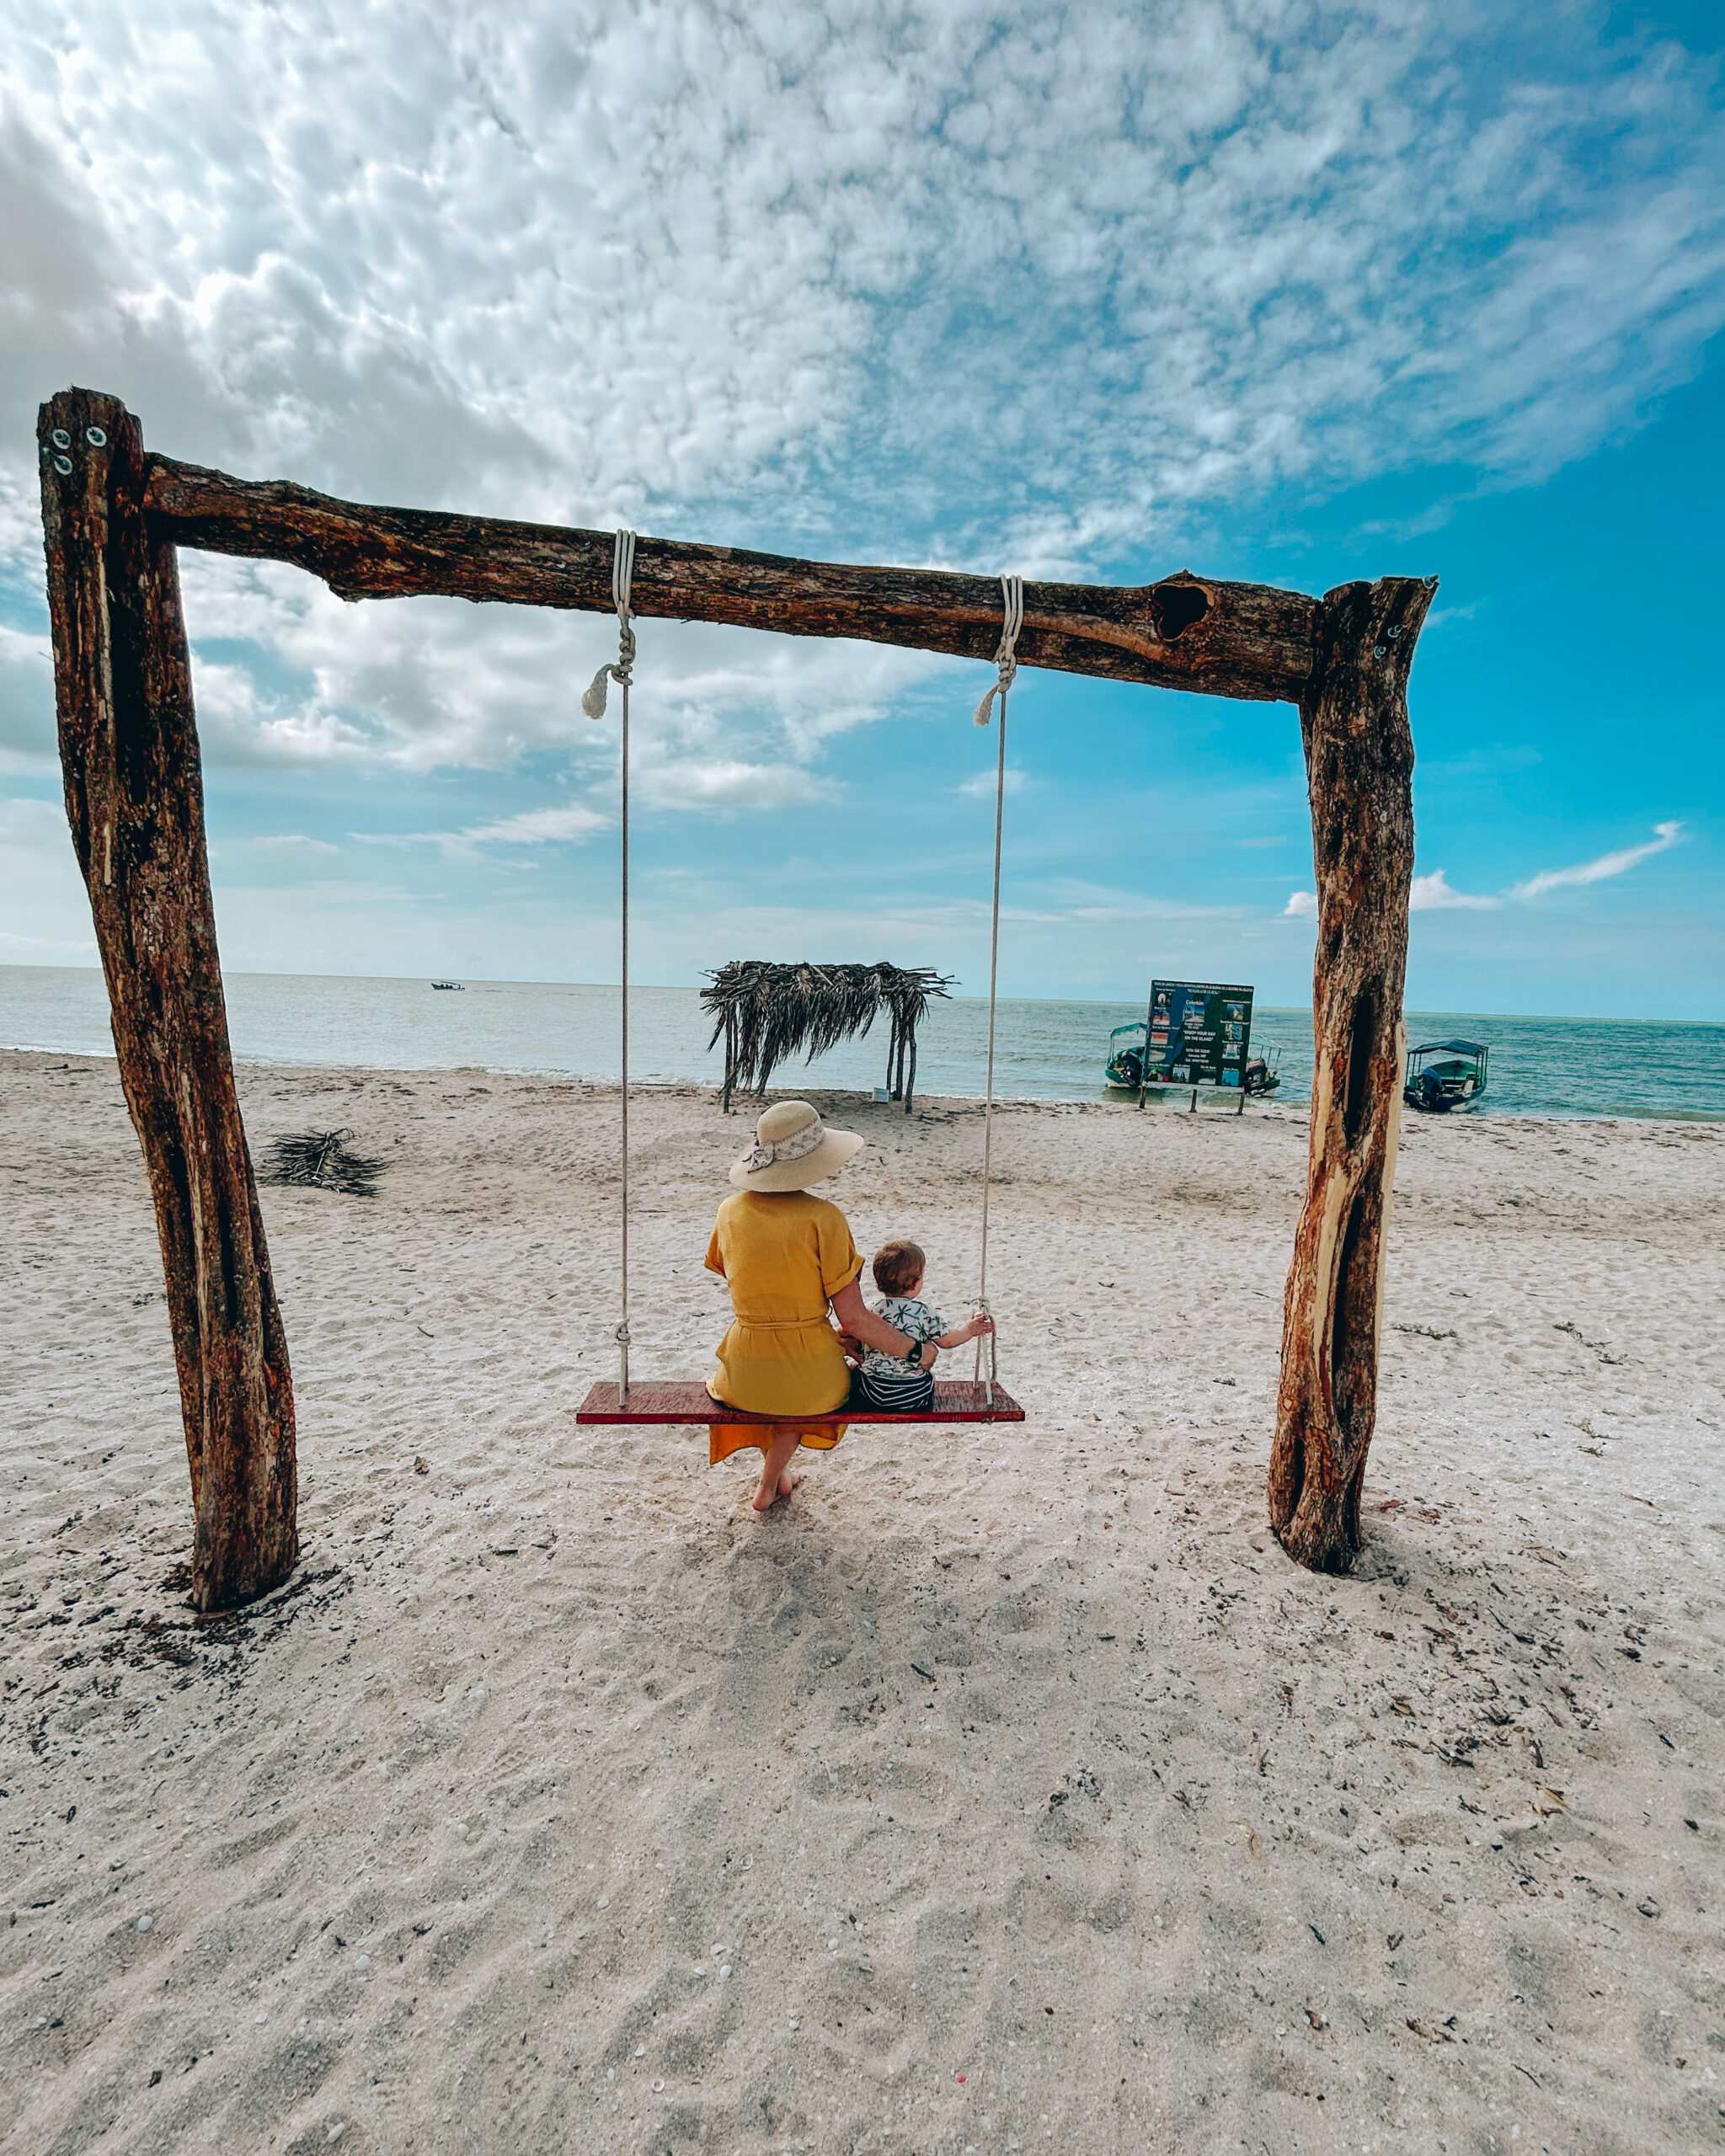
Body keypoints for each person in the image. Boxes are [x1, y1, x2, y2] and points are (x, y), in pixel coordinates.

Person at [704, 1100, 937, 1513]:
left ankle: (777, 1478)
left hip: (743, 1370)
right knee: (801, 1389)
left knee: (772, 1384)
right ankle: (768, 1483)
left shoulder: (728, 1211)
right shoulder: (824, 1218)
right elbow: (855, 1318)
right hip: (810, 1380)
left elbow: (745, 1281)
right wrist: (917, 1352)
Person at [853, 1238, 993, 1412]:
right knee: (927, 1377)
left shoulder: (871, 1310)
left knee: (855, 1370)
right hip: (913, 1393)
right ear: (915, 1283)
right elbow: (947, 1341)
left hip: (872, 1392)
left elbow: (855, 1330)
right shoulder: (924, 1312)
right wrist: (971, 1329)